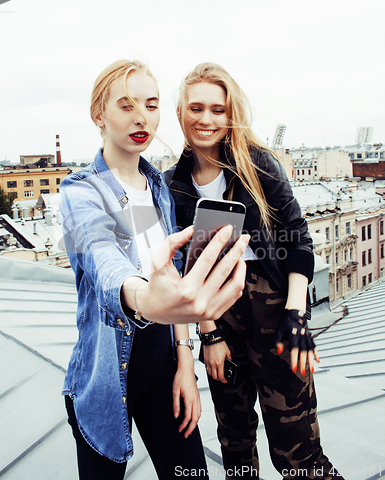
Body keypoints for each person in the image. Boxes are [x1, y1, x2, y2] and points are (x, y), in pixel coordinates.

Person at [60, 60, 249, 480]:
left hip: (164, 369)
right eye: (126, 106)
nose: (141, 117)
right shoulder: (81, 191)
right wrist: (144, 298)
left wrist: (184, 361)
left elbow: (174, 273)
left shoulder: (159, 186)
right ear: (99, 114)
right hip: (107, 379)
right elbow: (101, 257)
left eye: (151, 105)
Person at [164, 63, 343, 480]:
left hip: (279, 319)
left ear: (231, 115)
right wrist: (209, 334)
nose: (206, 119)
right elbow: (183, 270)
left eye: (217, 109)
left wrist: (297, 316)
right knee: (236, 446)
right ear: (181, 113)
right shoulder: (173, 184)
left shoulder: (259, 166)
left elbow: (298, 239)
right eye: (196, 108)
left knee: (300, 456)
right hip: (221, 325)